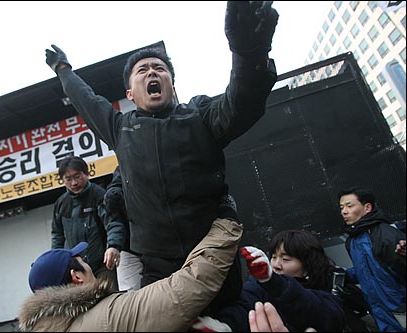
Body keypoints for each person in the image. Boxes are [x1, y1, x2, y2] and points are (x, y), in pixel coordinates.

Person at [45, 0, 278, 316]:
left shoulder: (200, 114)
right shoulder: (120, 128)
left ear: (171, 82)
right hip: (157, 267)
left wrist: (249, 53)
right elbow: (87, 100)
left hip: (212, 255)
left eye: (160, 68)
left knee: (231, 317)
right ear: (130, 93)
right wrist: (63, 70)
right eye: (143, 70)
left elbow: (243, 103)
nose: (152, 72)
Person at [18, 217, 243, 332]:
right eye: (82, 262)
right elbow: (183, 292)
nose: (88, 265)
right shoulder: (109, 317)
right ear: (76, 276)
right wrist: (225, 227)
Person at [207, 229, 346, 332]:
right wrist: (226, 326)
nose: (276, 265)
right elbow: (244, 305)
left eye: (285, 259)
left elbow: (329, 318)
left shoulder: (327, 287)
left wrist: (274, 282)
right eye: (273, 257)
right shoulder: (259, 286)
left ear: (307, 264)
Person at [338, 187, 406, 332]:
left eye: (350, 206)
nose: (344, 211)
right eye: (342, 207)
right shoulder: (352, 241)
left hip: (399, 308)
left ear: (367, 207)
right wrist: (343, 274)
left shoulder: (386, 235)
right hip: (380, 313)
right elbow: (367, 271)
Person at [51, 155, 125, 287]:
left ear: (87, 173)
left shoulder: (100, 196)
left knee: (109, 301)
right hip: (77, 269)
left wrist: (114, 245)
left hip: (103, 265)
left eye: (77, 176)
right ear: (62, 180)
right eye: (68, 179)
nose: (74, 183)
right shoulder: (61, 203)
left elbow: (113, 223)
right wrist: (57, 261)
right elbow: (57, 236)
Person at [103, 166, 143, 291]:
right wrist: (114, 245)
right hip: (127, 246)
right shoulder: (114, 189)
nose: (74, 183)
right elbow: (114, 220)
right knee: (129, 295)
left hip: (159, 244)